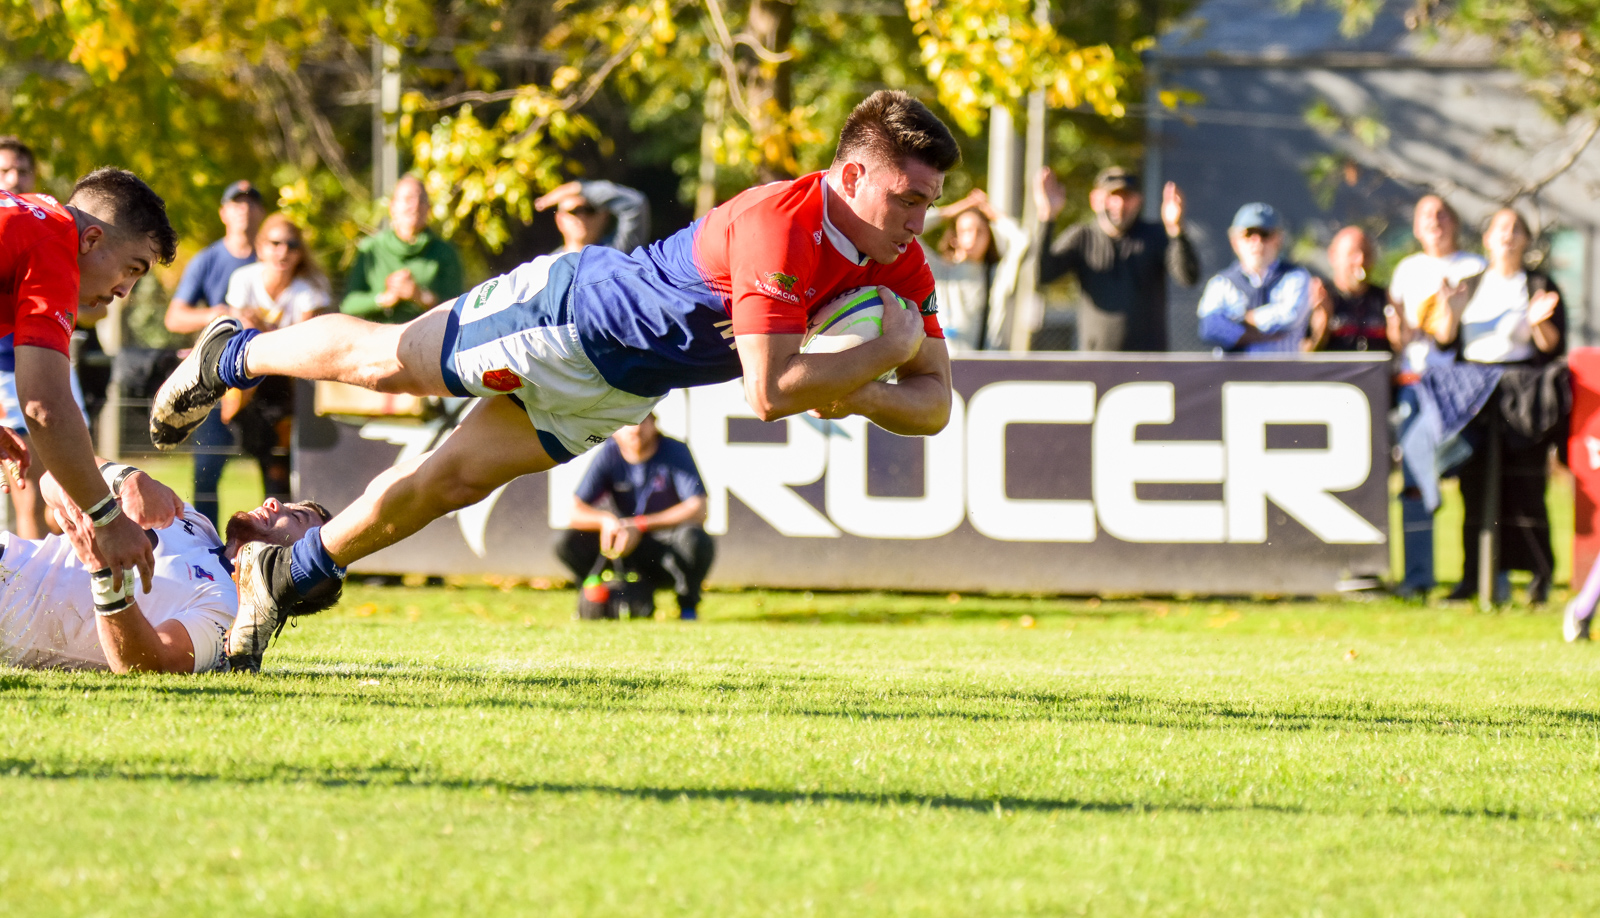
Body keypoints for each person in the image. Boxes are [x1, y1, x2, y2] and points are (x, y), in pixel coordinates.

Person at [150, 89, 959, 670]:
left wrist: (862, 381)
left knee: (447, 483)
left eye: (928, 203)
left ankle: (287, 572)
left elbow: (935, 404)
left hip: (619, 387)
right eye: (907, 199)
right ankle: (232, 353)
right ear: (851, 178)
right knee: (390, 361)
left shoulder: (903, 265)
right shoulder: (781, 224)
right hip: (573, 315)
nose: (918, 222)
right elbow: (770, 393)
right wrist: (873, 359)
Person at [2, 166, 178, 595]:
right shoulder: (56, 245)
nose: (124, 292)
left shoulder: (32, 219)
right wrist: (107, 518)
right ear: (93, 239)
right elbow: (44, 406)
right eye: (131, 269)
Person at [1, 456, 330, 673]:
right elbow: (53, 478)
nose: (274, 502)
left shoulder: (231, 612)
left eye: (295, 516)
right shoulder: (196, 524)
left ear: (301, 571)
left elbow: (145, 664)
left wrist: (104, 573)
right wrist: (125, 480)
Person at [1432, 208, 1565, 604]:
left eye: (1515, 230)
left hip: (1522, 396)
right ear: (1487, 238)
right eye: (1500, 229)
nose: (1507, 236)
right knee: (1473, 489)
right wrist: (1450, 315)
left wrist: (1539, 322)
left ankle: (1537, 577)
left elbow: (1553, 347)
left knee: (1525, 486)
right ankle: (1475, 576)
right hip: (1473, 394)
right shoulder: (1469, 285)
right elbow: (1444, 342)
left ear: (1525, 240)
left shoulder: (1538, 285)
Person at [1387, 195, 1488, 597]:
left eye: (1443, 213)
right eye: (1426, 215)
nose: (1435, 221)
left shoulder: (1473, 267)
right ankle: (1417, 576)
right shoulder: (1406, 270)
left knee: (1470, 475)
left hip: (1461, 387)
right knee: (1415, 482)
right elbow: (1399, 335)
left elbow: (1455, 333)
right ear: (1415, 227)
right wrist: (1401, 332)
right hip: (1415, 384)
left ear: (1456, 223)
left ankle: (1477, 577)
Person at [0, 136, 93, 540]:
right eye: (5, 171)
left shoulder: (47, 227)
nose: (15, 178)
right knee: (30, 499)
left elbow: (94, 307)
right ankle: (27, 595)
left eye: (22, 170)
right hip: (11, 376)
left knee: (64, 494)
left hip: (50, 368)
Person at [164, 180, 267, 527]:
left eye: (252, 203)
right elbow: (174, 316)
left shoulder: (275, 256)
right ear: (223, 213)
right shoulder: (208, 260)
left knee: (276, 469)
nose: (245, 209)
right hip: (216, 381)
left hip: (265, 380)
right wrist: (219, 315)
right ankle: (209, 550)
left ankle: (283, 552)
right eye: (236, 203)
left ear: (262, 213)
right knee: (206, 473)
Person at [557, 414, 713, 620]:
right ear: (614, 430)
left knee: (694, 539)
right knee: (566, 542)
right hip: (622, 547)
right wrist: (606, 521)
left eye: (642, 420)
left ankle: (687, 608)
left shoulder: (675, 450)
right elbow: (575, 510)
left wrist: (640, 525)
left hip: (662, 548)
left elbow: (698, 508)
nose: (635, 429)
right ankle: (595, 598)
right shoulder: (609, 453)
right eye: (626, 422)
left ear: (655, 424)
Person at [222, 213, 331, 501]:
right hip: (243, 391)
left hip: (287, 392)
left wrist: (261, 329)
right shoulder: (243, 279)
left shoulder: (309, 290)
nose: (283, 251)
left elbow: (304, 342)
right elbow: (233, 334)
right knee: (217, 461)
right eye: (275, 243)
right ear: (260, 247)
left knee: (279, 475)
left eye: (292, 245)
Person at [1034, 166, 1198, 351]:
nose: (1119, 204)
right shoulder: (1082, 237)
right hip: (1097, 362)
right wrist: (1047, 217)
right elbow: (1040, 275)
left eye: (1126, 197)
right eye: (1112, 196)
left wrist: (1176, 230)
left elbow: (1188, 277)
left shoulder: (1155, 236)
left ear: (1138, 200)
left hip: (1148, 363)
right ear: (1095, 200)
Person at [339, 175, 465, 325]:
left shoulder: (444, 252)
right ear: (393, 207)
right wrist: (384, 299)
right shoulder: (371, 249)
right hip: (380, 339)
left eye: (422, 200)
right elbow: (348, 304)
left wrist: (419, 296)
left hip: (430, 339)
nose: (416, 205)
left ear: (429, 208)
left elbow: (459, 308)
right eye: (408, 199)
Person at [919, 187, 1030, 353]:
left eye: (980, 232)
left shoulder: (998, 275)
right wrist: (951, 211)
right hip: (943, 363)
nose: (972, 238)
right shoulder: (939, 270)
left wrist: (996, 217)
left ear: (989, 238)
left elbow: (1021, 241)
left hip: (986, 367)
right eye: (965, 231)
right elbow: (912, 234)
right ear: (954, 238)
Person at [1196, 202, 1313, 353]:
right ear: (1235, 241)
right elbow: (1209, 327)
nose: (1257, 242)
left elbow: (1290, 317)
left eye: (1265, 234)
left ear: (1279, 239)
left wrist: (1241, 319)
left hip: (1281, 374)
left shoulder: (1296, 276)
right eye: (1248, 234)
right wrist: (1259, 335)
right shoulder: (1221, 283)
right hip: (1233, 374)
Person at [1305, 226, 1399, 353]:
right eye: (1353, 254)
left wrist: (1397, 334)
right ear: (1333, 256)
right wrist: (1321, 327)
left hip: (1376, 372)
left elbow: (1400, 352)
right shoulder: (1322, 297)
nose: (1361, 260)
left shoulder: (1384, 298)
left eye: (1366, 253)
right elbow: (1303, 354)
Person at [534, 179, 652, 255]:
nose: (581, 217)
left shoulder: (616, 253)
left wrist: (579, 188)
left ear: (604, 217)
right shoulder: (548, 267)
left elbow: (635, 204)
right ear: (559, 220)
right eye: (573, 211)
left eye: (589, 210)